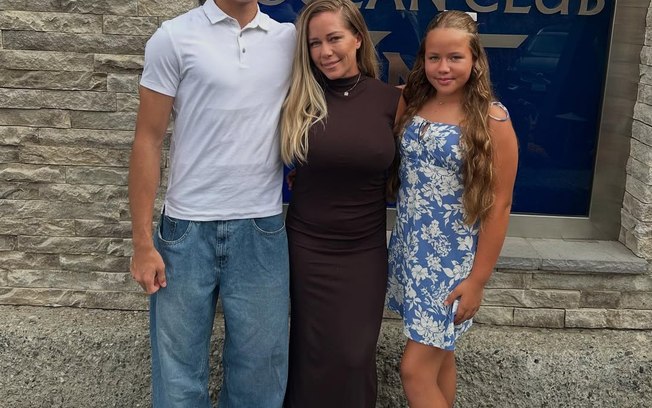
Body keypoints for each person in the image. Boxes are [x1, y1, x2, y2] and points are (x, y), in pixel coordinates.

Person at [127, 0, 295, 406]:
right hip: (186, 231)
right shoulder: (173, 37)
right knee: (178, 378)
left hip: (261, 229)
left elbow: (345, 86)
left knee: (260, 375)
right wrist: (142, 243)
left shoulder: (287, 40)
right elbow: (147, 140)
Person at [386, 10, 518, 408]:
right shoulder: (411, 102)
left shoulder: (492, 120)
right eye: (434, 57)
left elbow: (500, 206)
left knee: (414, 370)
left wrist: (477, 281)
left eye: (455, 57)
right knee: (440, 357)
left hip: (451, 265)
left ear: (475, 60)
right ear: (423, 60)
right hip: (412, 253)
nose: (443, 68)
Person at [279, 0, 403, 406]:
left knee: (354, 356)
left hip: (364, 250)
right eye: (314, 43)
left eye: (334, 38)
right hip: (307, 247)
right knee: (310, 352)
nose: (325, 51)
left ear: (358, 38)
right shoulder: (299, 98)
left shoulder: (391, 101)